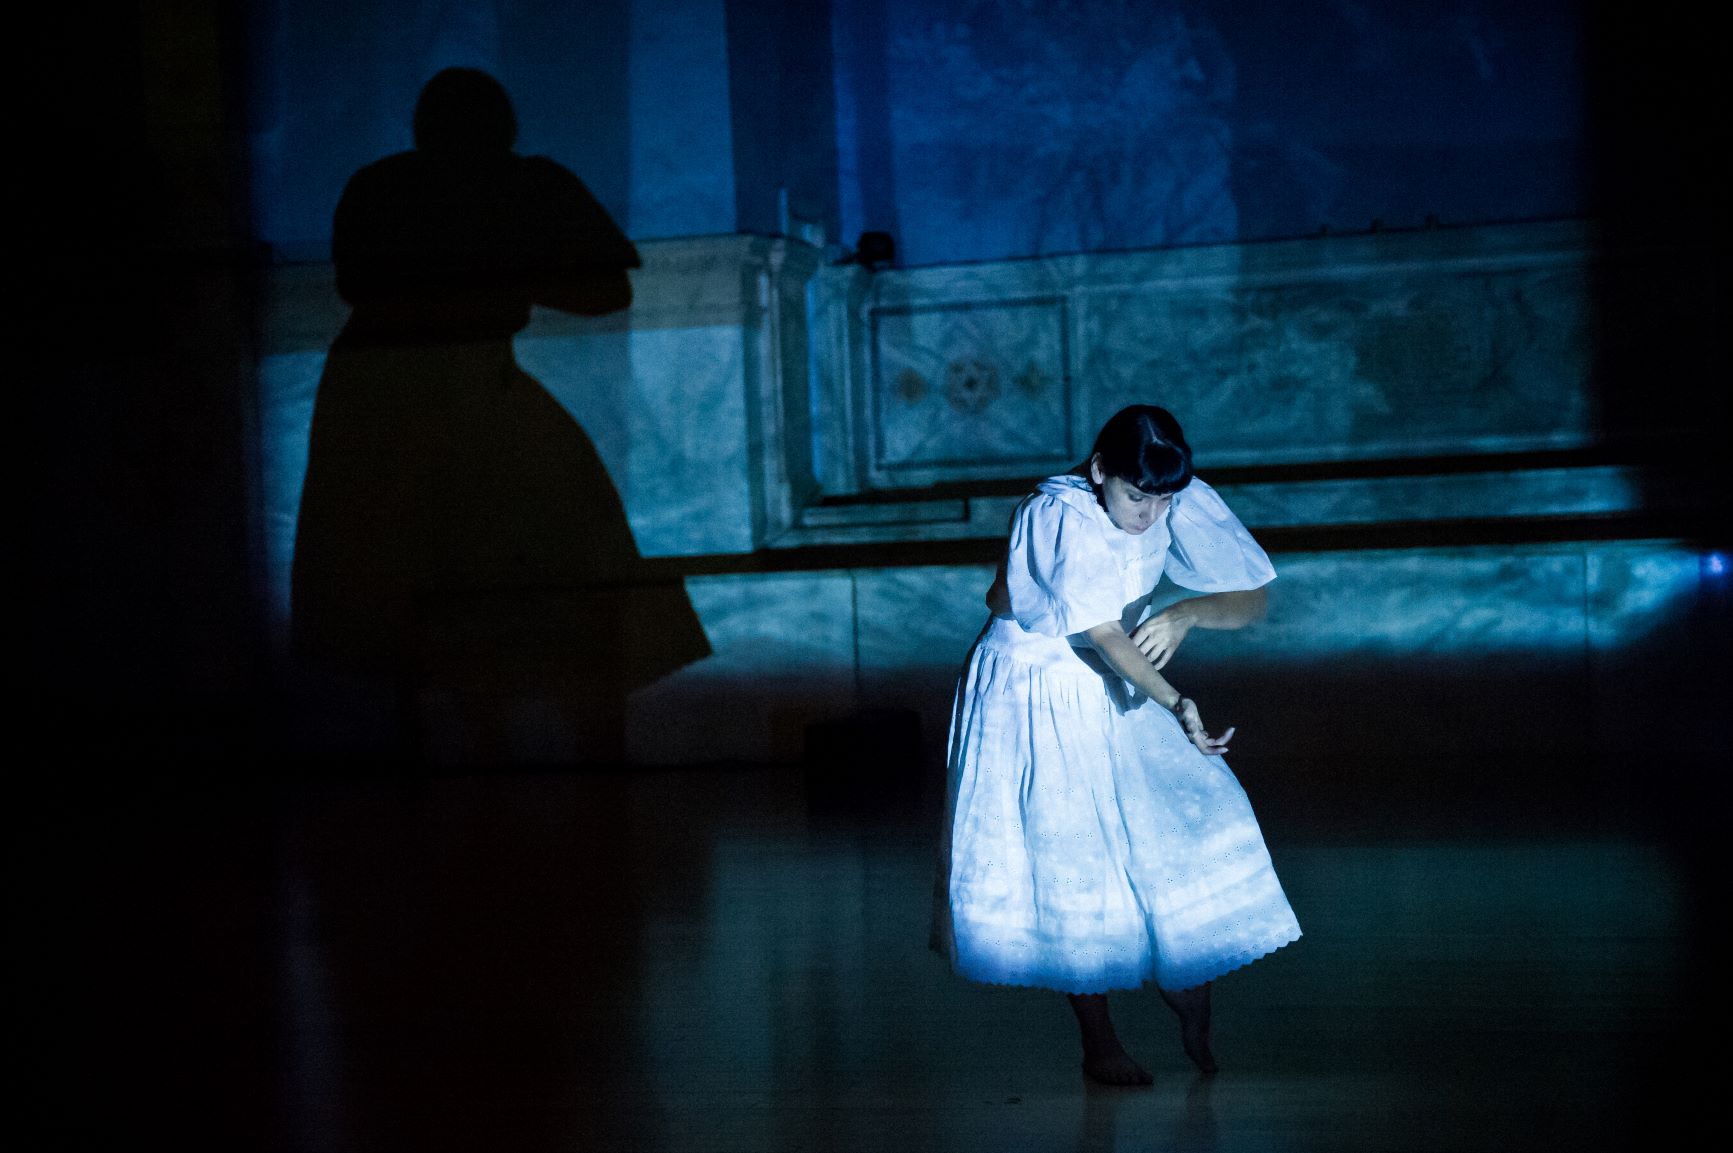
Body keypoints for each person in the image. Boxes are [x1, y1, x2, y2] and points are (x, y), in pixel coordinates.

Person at [932, 404, 1301, 1085]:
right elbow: (1098, 632)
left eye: (1161, 500)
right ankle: (1098, 1041)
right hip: (1033, 683)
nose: (1149, 515)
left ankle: (1186, 986)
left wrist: (1186, 610)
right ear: (1101, 469)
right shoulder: (1058, 512)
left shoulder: (1168, 492)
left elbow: (1251, 595)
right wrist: (1175, 699)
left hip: (1120, 672)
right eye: (1136, 497)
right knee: (1069, 849)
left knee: (1164, 830)